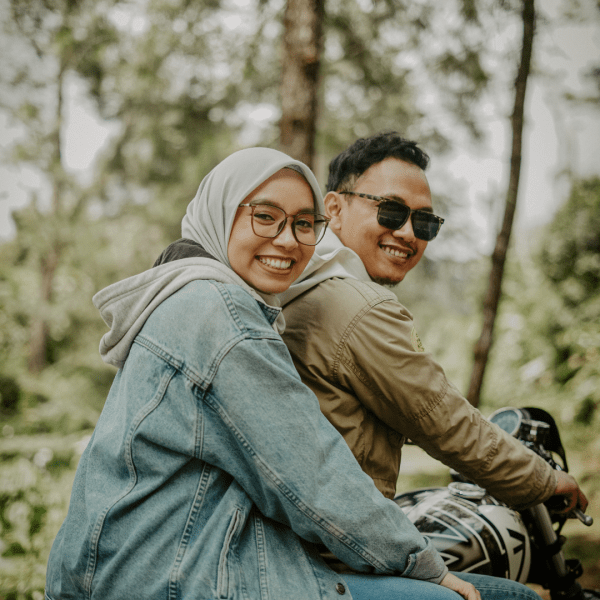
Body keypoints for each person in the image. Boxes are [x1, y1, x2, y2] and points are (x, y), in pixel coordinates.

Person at [45, 147, 495, 600]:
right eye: (265, 217)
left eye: (304, 223)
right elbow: (313, 475)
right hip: (177, 574)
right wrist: (421, 563)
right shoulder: (220, 314)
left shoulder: (184, 297)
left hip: (126, 566)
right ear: (222, 214)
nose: (288, 240)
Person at [275, 133, 589, 566]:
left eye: (424, 222)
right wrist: (545, 480)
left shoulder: (294, 284)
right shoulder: (357, 305)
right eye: (391, 210)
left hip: (295, 536)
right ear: (334, 208)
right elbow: (444, 423)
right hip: (333, 556)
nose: (408, 233)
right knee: (517, 597)